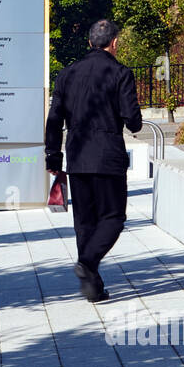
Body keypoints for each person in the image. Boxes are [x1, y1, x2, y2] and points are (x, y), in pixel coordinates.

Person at [44, 19, 143, 301]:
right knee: (113, 217)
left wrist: (53, 155)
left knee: (85, 221)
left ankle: (93, 287)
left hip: (77, 154)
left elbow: (54, 119)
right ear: (114, 43)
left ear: (90, 42)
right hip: (108, 155)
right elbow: (133, 123)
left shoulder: (66, 74)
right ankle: (87, 264)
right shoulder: (121, 73)